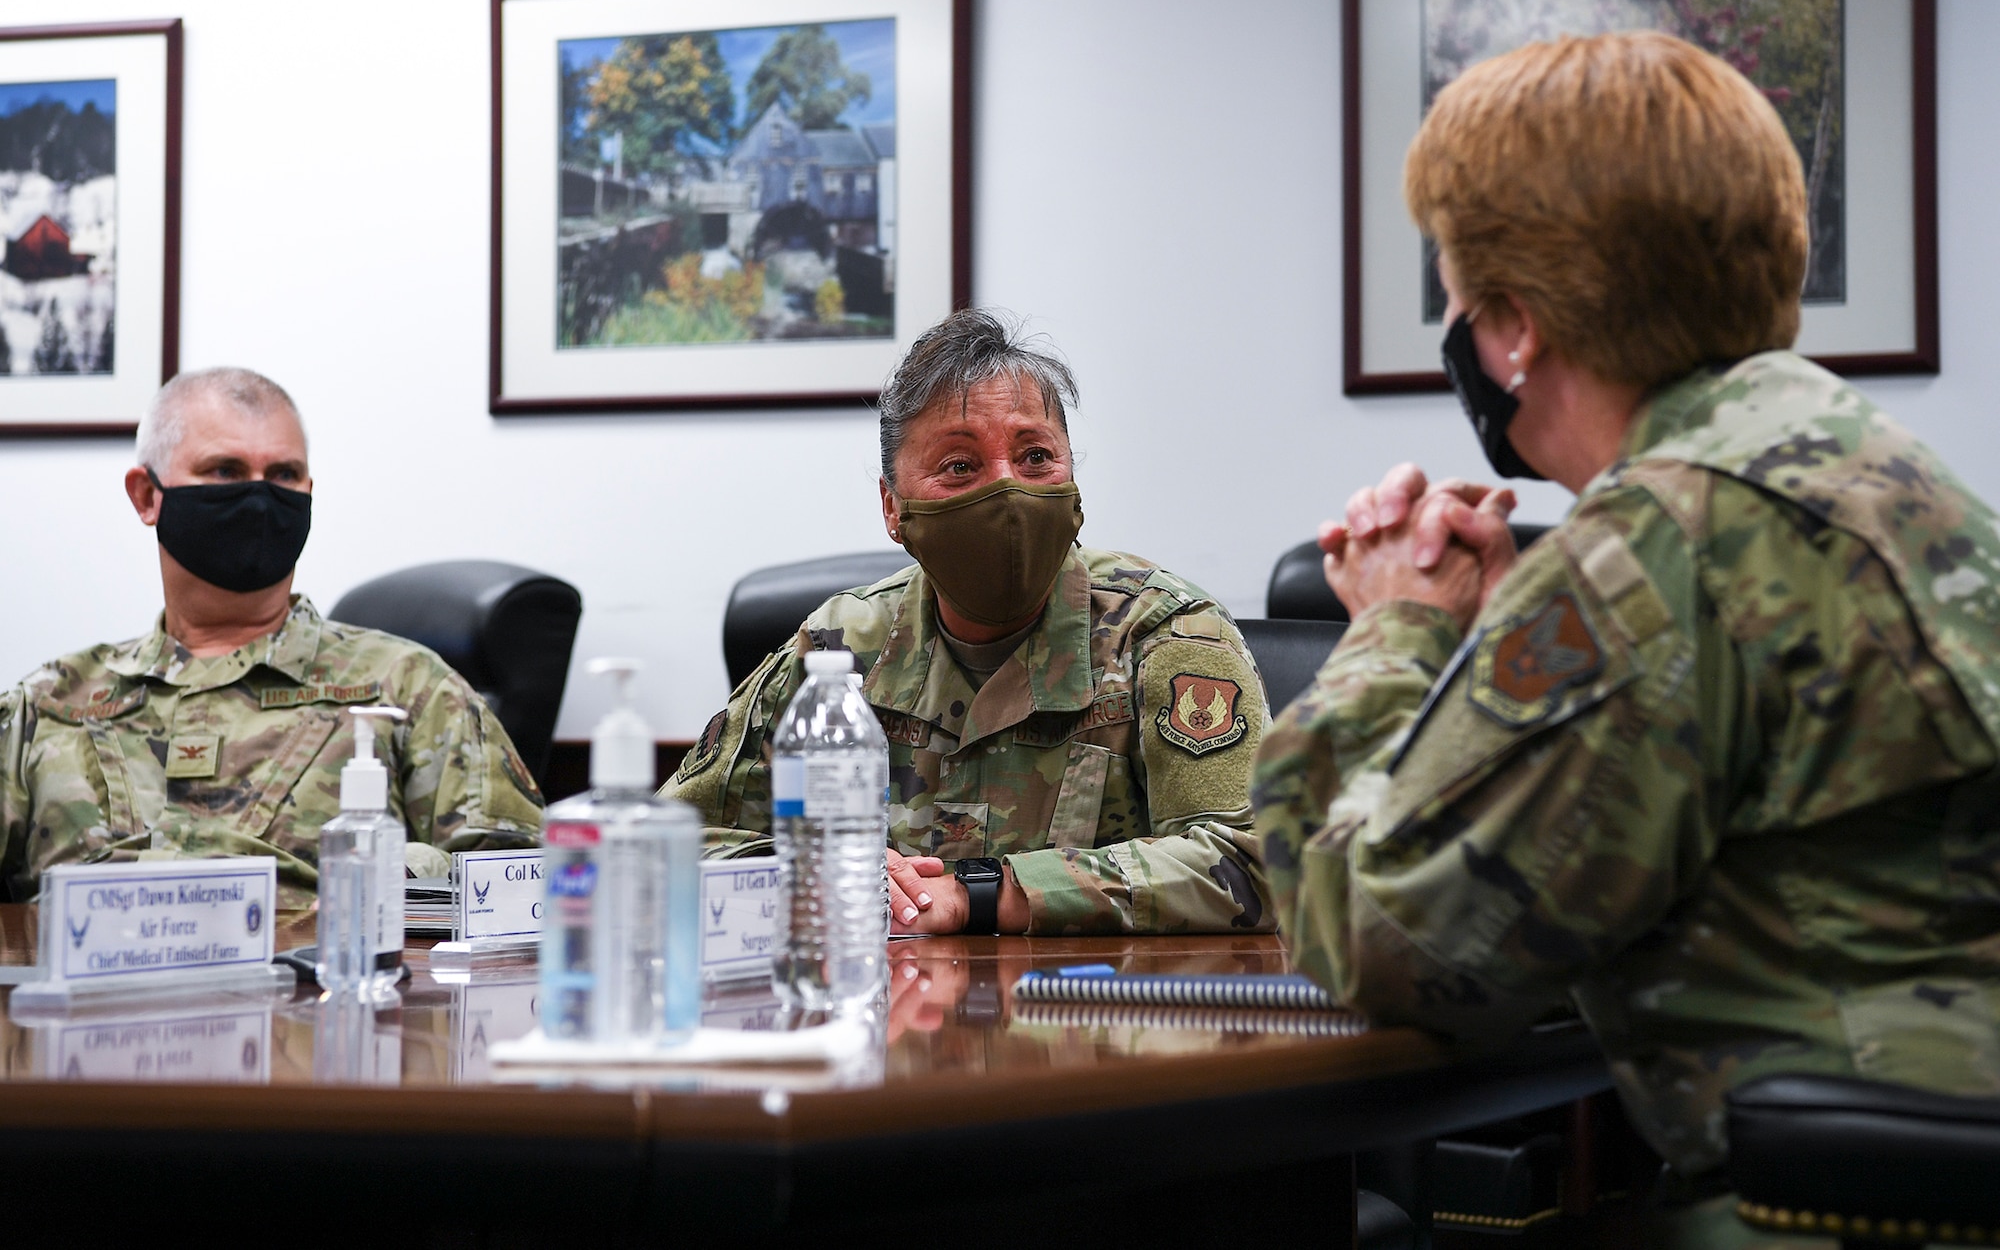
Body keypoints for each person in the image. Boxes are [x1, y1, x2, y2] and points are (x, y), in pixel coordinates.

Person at [1253, 33, 2000, 1193]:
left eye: (1453, 295)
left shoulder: (1661, 541)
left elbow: (1387, 943)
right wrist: (1512, 630)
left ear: (1512, 327)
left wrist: (1391, 626)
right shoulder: (1866, 467)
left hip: (1834, 1206)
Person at [667, 310, 1273, 936]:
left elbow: (1255, 863)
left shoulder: (1164, 634)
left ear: (1074, 484)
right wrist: (818, 869)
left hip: (1088, 1017)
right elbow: (667, 841)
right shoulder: (838, 648)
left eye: (1036, 456)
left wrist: (985, 893)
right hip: (887, 1013)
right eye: (959, 466)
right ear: (892, 507)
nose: (1007, 492)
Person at [0, 367, 545, 907]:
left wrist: (379, 878)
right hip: (81, 989)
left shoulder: (408, 690)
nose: (259, 498)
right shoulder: (48, 705)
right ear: (147, 495)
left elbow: (517, 902)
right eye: (224, 470)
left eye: (283, 474)